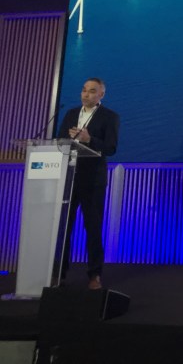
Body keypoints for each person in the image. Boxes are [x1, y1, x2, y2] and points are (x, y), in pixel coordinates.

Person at [57, 77, 120, 290]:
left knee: (92, 228)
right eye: (84, 90)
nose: (86, 94)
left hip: (93, 180)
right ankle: (59, 273)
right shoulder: (70, 113)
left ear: (101, 94)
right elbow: (59, 140)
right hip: (69, 178)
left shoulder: (110, 117)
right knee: (63, 228)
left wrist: (89, 140)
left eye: (92, 91)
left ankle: (94, 274)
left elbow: (111, 148)